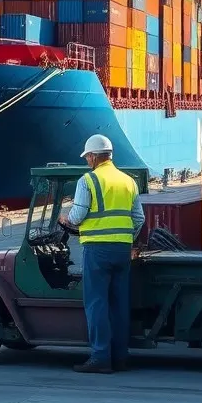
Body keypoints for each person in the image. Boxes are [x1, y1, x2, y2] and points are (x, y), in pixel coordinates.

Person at [62, 134, 144, 374]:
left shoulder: (88, 180)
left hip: (97, 250)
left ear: (94, 156)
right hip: (122, 249)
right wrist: (127, 237)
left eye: (87, 156)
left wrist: (65, 219)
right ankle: (120, 357)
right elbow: (139, 218)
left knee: (97, 303)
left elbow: (77, 217)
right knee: (119, 303)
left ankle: (100, 357)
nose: (87, 160)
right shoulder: (128, 181)